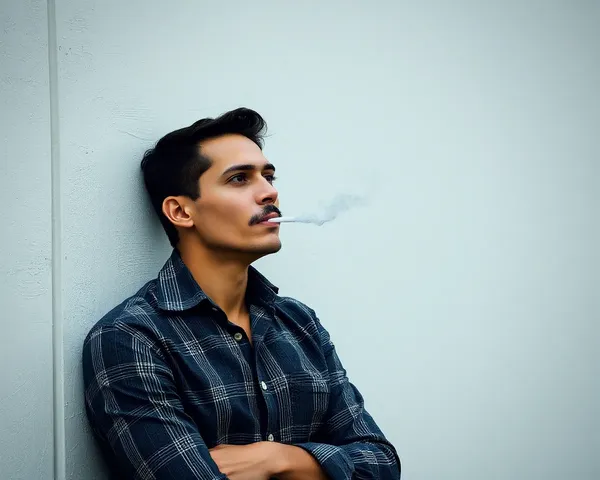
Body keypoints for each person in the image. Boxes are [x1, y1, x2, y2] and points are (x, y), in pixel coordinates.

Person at [82, 107, 401, 480]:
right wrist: (325, 467)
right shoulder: (131, 338)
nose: (269, 191)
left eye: (268, 175)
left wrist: (277, 460)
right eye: (239, 179)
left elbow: (381, 463)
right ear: (181, 212)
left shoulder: (299, 322)